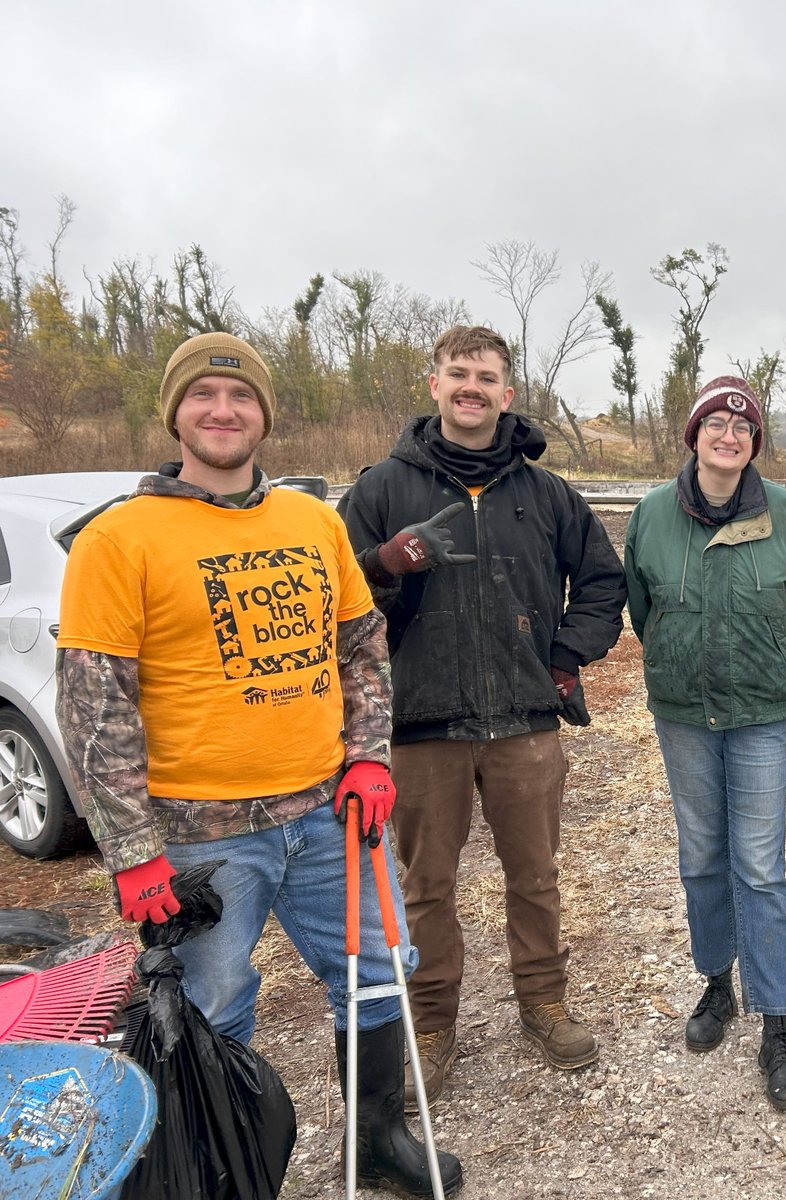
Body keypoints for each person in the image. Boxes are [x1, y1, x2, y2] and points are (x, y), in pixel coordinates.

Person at [55, 332, 463, 1197]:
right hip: (200, 836)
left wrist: (369, 758)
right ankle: (223, 1169)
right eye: (202, 396)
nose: (222, 411)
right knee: (212, 1007)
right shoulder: (119, 538)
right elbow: (94, 711)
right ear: (175, 412)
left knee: (379, 970)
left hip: (328, 813)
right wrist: (130, 850)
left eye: (240, 399)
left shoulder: (312, 522)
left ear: (264, 417)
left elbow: (361, 648)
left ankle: (379, 1137)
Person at [339, 325, 625, 1104]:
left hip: (526, 722)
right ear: (433, 385)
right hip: (420, 726)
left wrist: (563, 658)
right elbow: (330, 598)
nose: (472, 387)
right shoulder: (378, 491)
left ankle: (543, 1002)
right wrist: (385, 563)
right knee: (427, 884)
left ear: (507, 394)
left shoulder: (546, 493)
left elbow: (603, 581)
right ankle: (432, 1024)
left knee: (535, 876)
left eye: (487, 377)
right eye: (458, 374)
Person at [623, 376, 786, 1111]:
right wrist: (687, 663)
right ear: (695, 434)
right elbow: (644, 612)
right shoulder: (651, 513)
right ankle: (718, 983)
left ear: (754, 443)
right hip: (683, 713)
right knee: (702, 854)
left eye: (743, 429)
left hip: (762, 713)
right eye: (716, 425)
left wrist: (761, 659)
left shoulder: (785, 513)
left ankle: (776, 1020)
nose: (729, 437)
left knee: (761, 866)